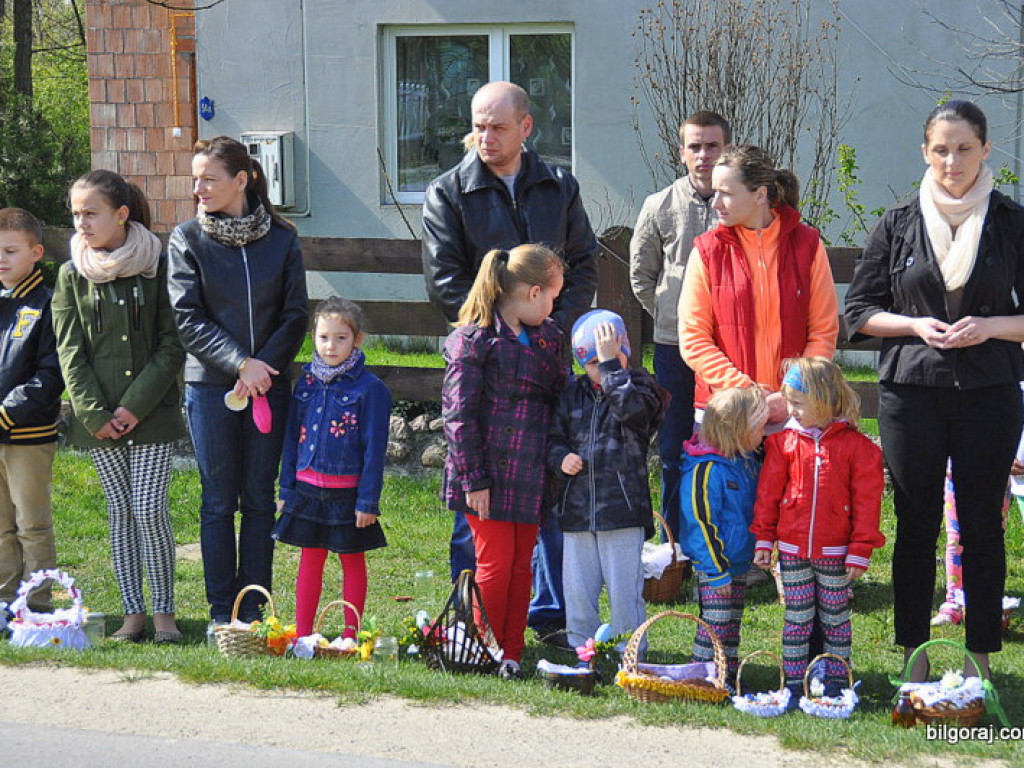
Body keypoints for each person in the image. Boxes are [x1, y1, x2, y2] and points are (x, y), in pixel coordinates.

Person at [845, 100, 1024, 681]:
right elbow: (860, 312)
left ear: (986, 149)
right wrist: (916, 324)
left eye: (964, 148)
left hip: (990, 391)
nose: (952, 160)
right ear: (925, 152)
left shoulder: (1012, 222)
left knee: (981, 524)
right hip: (910, 393)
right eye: (941, 149)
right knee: (916, 523)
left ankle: (980, 662)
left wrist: (993, 326)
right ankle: (913, 657)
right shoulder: (897, 222)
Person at [422, 80, 598, 645]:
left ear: (525, 128)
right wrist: (498, 327)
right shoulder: (449, 192)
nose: (484, 136)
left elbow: (582, 267)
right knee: (477, 513)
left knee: (541, 495)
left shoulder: (559, 186)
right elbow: (446, 280)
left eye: (497, 126)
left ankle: (540, 617)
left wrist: (550, 329)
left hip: (544, 360)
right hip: (489, 359)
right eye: (477, 125)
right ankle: (469, 619)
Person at [168, 136, 309, 624]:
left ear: (241, 180)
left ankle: (253, 609)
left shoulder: (283, 239)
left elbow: (295, 315)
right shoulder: (186, 239)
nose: (198, 189)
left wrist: (262, 369)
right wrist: (238, 364)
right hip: (210, 388)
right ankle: (218, 611)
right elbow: (188, 319)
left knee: (258, 498)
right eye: (195, 179)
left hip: (270, 385)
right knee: (218, 500)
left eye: (208, 178)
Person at [52, 171, 186, 643]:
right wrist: (93, 414)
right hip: (98, 420)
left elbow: (173, 345)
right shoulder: (71, 274)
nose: (81, 223)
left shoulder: (158, 266)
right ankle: (133, 614)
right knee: (120, 511)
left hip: (151, 416)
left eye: (91, 213)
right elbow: (69, 350)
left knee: (149, 509)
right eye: (75, 214)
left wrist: (133, 407)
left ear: (121, 214)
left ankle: (165, 612)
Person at [441, 244, 566, 680]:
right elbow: (458, 416)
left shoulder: (549, 336)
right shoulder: (473, 341)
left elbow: (556, 398)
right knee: (493, 566)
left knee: (520, 564)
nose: (554, 306)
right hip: (487, 476)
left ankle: (511, 651)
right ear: (533, 293)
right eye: (552, 296)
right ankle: (484, 645)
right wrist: (474, 479)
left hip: (530, 473)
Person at [751, 358, 885, 702]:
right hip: (793, 552)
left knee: (836, 618)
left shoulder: (858, 449)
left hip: (837, 554)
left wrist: (860, 549)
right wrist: (765, 537)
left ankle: (838, 680)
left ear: (824, 399)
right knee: (797, 618)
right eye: (789, 400)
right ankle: (793, 682)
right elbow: (768, 494)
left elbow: (868, 504)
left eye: (797, 402)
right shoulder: (782, 444)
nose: (790, 410)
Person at [678, 145, 839, 428]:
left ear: (760, 195)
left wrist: (791, 394)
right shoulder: (706, 251)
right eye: (714, 192)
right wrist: (747, 392)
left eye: (726, 193)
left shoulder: (809, 245)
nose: (715, 203)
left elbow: (823, 330)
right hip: (726, 412)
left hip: (795, 413)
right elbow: (693, 338)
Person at [630, 110, 730, 542]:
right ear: (682, 151)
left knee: (730, 444)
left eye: (712, 146)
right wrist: (671, 314)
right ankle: (674, 544)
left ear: (726, 149)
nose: (704, 155)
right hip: (675, 347)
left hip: (731, 346)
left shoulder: (741, 200)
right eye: (695, 146)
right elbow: (641, 276)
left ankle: (729, 543)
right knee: (673, 447)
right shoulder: (659, 205)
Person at [546, 310, 666, 651]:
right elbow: (553, 436)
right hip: (577, 509)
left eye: (607, 361)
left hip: (623, 510)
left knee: (623, 587)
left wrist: (614, 367)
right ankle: (581, 643)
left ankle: (629, 645)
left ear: (623, 350)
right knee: (578, 586)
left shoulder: (642, 387)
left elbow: (634, 413)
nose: (600, 371)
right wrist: (559, 458)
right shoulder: (572, 392)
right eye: (594, 364)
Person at [274, 297, 390, 639]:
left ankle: (350, 635)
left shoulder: (371, 390)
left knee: (351, 560)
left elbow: (374, 450)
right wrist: (286, 489)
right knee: (310, 560)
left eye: (341, 337)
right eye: (324, 337)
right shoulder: (305, 383)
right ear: (314, 337)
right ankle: (304, 634)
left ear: (357, 339)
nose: (331, 345)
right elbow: (291, 439)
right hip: (307, 490)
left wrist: (367, 502)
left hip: (347, 495)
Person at [678, 386, 767, 682]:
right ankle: (702, 675)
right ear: (738, 430)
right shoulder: (706, 470)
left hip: (738, 561)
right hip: (716, 565)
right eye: (759, 427)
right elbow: (699, 522)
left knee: (732, 622)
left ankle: (725, 674)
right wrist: (715, 569)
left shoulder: (745, 462)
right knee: (715, 623)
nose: (763, 433)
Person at [0, 208, 62, 618]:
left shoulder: (47, 304)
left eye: (10, 250)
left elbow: (50, 374)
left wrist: (5, 413)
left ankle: (37, 604)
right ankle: (6, 603)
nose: (1, 259)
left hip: (26, 436)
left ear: (36, 252)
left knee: (32, 525)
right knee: (1, 527)